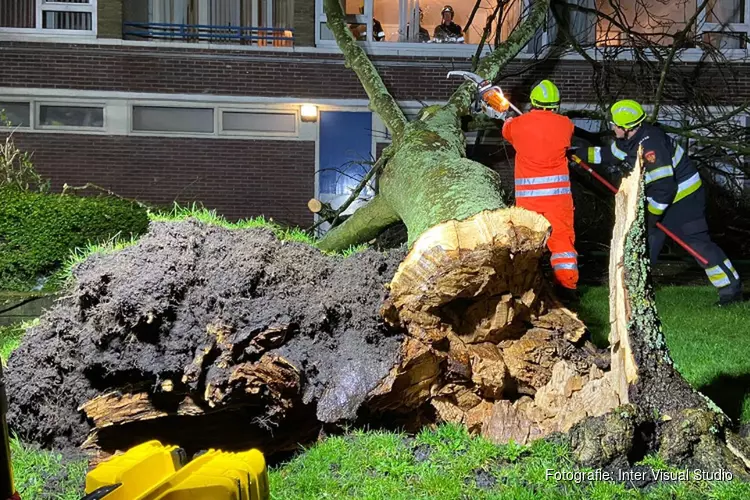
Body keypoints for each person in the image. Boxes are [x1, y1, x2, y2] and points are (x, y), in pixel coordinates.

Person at [570, 99, 743, 306]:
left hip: (684, 199)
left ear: (628, 128)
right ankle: (636, 290)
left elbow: (665, 187)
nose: (612, 128)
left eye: (615, 125)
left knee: (697, 245)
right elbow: (609, 155)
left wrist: (652, 214)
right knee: (645, 243)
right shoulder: (629, 141)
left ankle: (731, 290)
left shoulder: (651, 146)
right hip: (660, 198)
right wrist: (578, 153)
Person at [502, 80, 579, 298]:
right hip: (558, 201)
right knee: (562, 243)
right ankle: (567, 287)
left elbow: (507, 131)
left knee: (527, 244)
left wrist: (509, 118)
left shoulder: (518, 125)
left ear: (533, 102)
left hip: (529, 204)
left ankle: (525, 288)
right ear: (556, 105)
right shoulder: (566, 125)